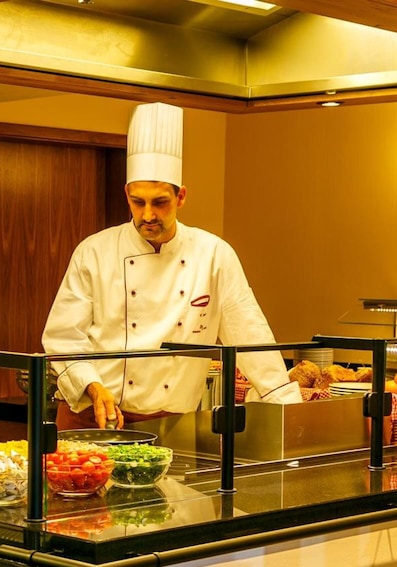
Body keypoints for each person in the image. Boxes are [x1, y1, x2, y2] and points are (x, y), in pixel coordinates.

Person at [42, 101, 301, 431]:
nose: (148, 214)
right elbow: (63, 338)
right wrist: (92, 386)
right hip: (94, 418)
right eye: (138, 202)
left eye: (160, 202)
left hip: (172, 424)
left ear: (181, 197)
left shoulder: (213, 255)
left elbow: (251, 336)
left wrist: (290, 415)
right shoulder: (94, 252)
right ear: (126, 194)